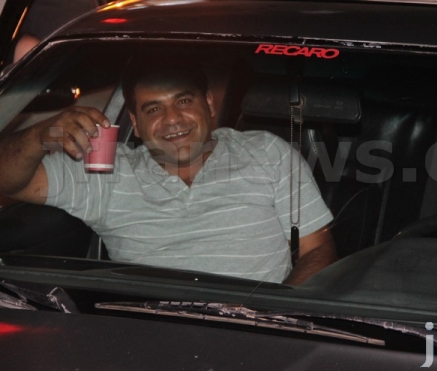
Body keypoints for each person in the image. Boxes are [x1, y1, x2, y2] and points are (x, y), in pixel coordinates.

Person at [0, 59, 338, 285]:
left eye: (184, 101)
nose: (172, 119)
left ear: (209, 104)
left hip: (256, 334)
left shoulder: (266, 152)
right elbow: (7, 180)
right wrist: (40, 134)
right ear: (135, 123)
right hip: (143, 338)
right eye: (154, 109)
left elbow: (317, 250)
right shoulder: (106, 171)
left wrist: (272, 319)